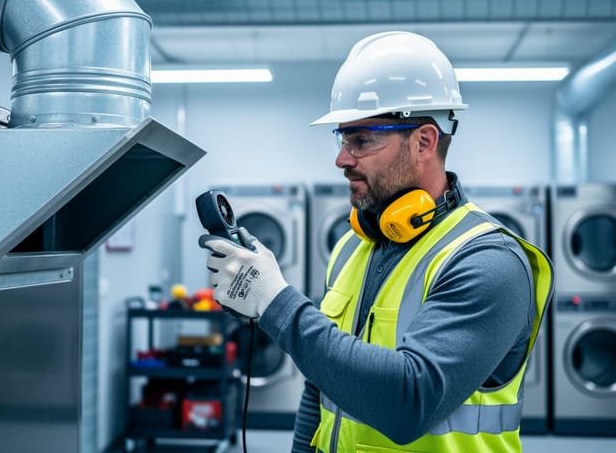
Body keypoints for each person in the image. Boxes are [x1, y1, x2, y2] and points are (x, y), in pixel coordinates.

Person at [200, 31, 554, 452]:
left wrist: (276, 303)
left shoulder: (488, 262)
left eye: (362, 141)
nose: (342, 158)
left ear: (424, 141)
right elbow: (323, 387)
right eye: (342, 138)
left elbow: (410, 402)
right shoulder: (354, 247)